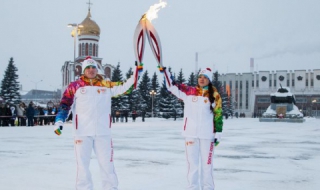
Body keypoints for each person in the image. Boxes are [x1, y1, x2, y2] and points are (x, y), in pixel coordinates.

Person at [54, 56, 143, 190]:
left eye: (93, 67)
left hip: (103, 133)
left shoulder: (106, 84)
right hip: (82, 133)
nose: (91, 70)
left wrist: (137, 73)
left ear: (97, 69)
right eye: (88, 68)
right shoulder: (75, 86)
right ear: (83, 70)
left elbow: (126, 87)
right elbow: (65, 105)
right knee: (82, 167)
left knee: (107, 165)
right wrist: (60, 120)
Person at [161, 67, 223, 190]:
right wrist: (165, 74)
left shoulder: (214, 95)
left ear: (209, 80)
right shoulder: (189, 92)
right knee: (192, 165)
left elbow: (218, 114)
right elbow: (171, 87)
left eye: (205, 77)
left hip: (207, 135)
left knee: (207, 165)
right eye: (200, 77)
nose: (202, 79)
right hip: (190, 134)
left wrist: (218, 133)